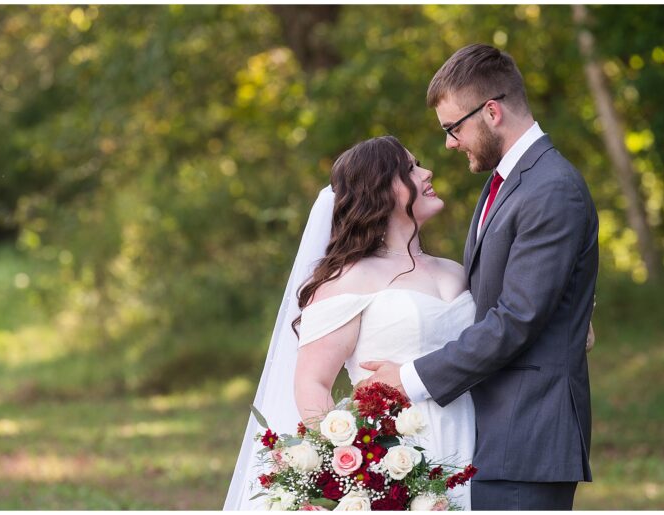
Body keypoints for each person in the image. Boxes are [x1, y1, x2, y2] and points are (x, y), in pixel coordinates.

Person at [359, 44, 599, 510]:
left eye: (453, 128)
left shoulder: (552, 188)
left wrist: (408, 379)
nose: (449, 143)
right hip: (493, 432)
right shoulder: (505, 182)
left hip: (529, 434)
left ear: (491, 112)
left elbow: (516, 319)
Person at [224, 135, 478, 510]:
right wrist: (353, 465)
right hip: (403, 457)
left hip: (477, 441)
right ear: (378, 189)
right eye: (410, 168)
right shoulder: (347, 280)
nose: (427, 172)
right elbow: (313, 383)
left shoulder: (456, 270)